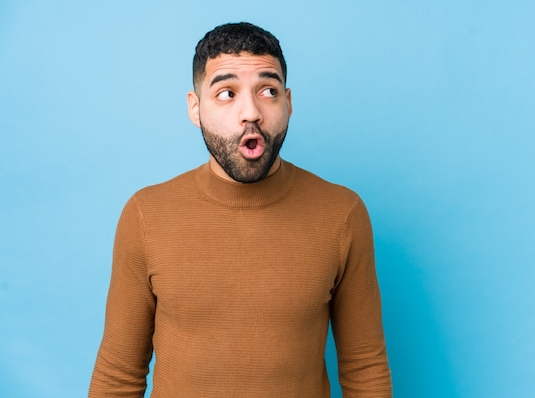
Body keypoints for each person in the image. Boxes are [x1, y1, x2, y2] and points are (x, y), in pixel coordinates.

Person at [89, 22, 392, 397]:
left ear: (288, 103)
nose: (251, 112)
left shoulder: (343, 214)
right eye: (227, 93)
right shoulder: (145, 214)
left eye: (268, 91)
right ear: (195, 108)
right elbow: (119, 374)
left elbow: (365, 370)